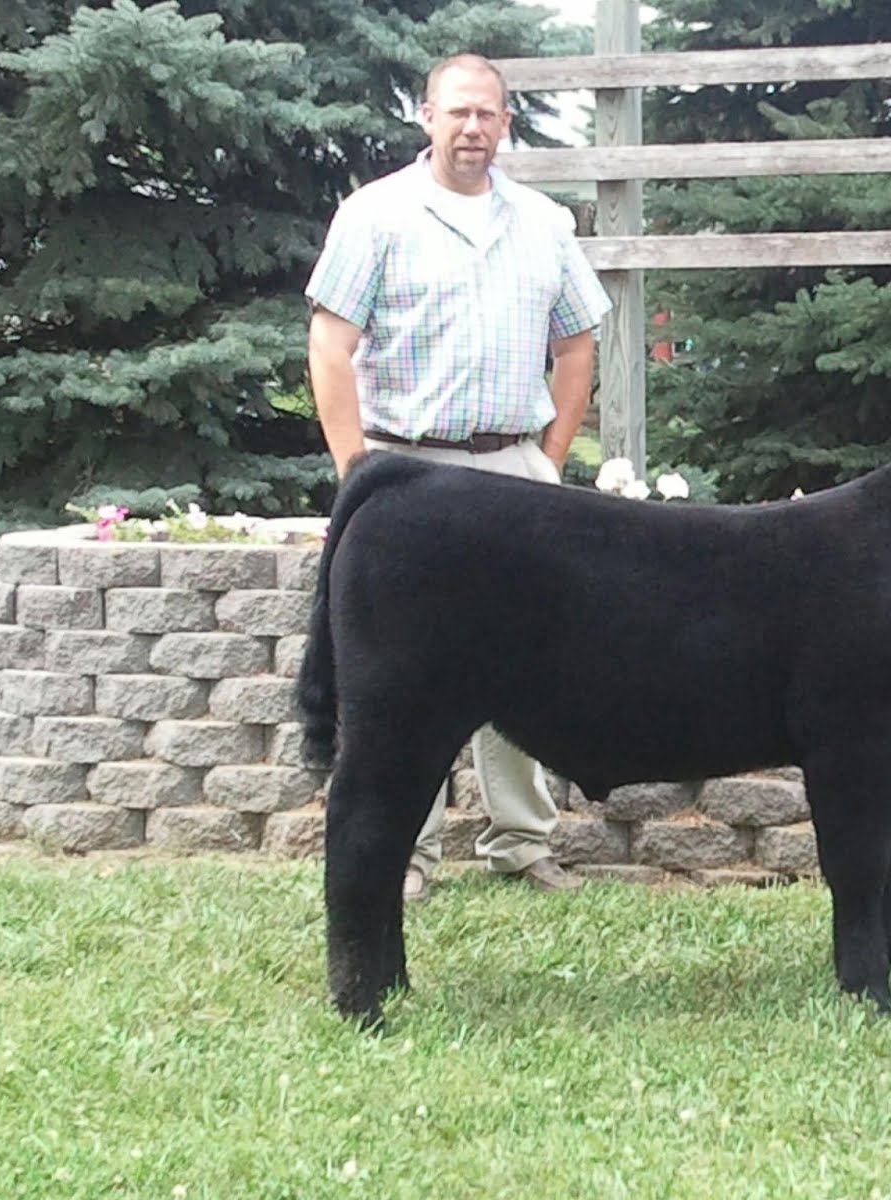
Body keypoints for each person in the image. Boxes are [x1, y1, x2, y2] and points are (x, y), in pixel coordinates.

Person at [304, 53, 611, 901]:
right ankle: (406, 854)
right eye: (458, 112)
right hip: (407, 472)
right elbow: (330, 343)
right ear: (428, 117)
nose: (472, 128)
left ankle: (523, 842)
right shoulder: (375, 215)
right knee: (403, 673)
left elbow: (578, 341)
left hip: (513, 469)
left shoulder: (543, 222)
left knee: (530, 657)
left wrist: (548, 456)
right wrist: (356, 470)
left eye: (488, 114)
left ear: (505, 123)